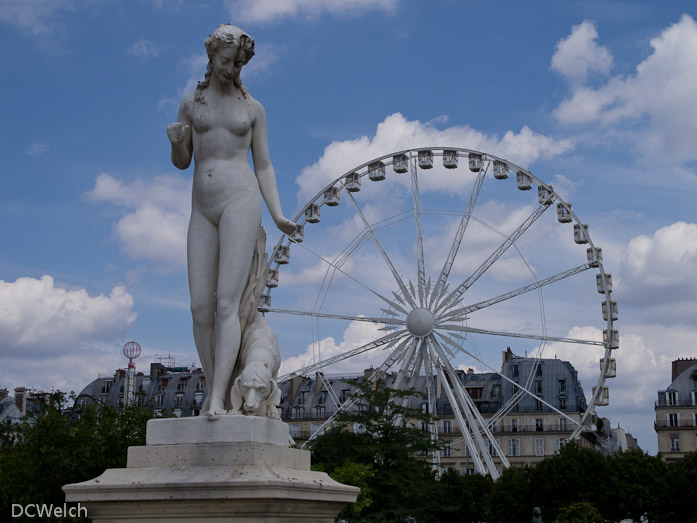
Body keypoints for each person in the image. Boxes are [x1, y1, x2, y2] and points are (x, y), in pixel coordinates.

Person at [167, 24, 295, 416]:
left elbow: (265, 165)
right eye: (225, 61)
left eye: (236, 63)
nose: (230, 69)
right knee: (198, 309)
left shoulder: (252, 109)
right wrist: (176, 143)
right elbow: (183, 162)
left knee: (227, 304)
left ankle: (218, 397)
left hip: (240, 199)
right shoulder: (192, 104)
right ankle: (214, 385)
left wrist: (276, 214)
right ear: (211, 57)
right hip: (201, 208)